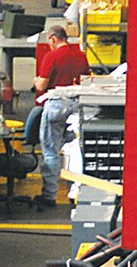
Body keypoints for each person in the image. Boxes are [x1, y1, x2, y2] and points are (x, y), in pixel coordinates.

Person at [33, 25, 92, 209]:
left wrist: (36, 81)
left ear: (52, 39)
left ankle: (49, 195)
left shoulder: (51, 56)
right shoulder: (80, 55)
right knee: (74, 150)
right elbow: (86, 79)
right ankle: (75, 192)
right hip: (76, 106)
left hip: (56, 106)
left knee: (51, 151)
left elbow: (42, 86)